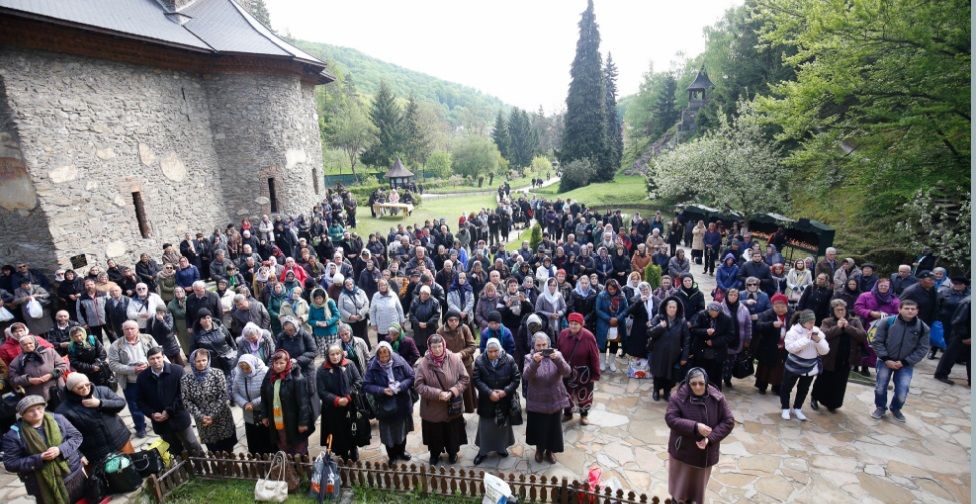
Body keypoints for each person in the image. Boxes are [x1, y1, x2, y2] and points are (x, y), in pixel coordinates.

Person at [665, 368, 735, 504]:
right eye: (693, 383)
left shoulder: (717, 398)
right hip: (683, 451)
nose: (698, 386)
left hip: (704, 453)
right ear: (687, 383)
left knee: (696, 489)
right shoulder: (678, 397)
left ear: (706, 382)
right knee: (679, 488)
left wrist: (711, 438)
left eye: (701, 383)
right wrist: (695, 427)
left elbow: (729, 421)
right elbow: (671, 418)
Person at [2, 395, 86, 504]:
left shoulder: (58, 419)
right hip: (42, 484)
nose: (37, 413)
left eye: (39, 408)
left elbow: (76, 437)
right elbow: (10, 463)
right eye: (30, 411)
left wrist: (60, 449)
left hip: (73, 474)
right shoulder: (13, 435)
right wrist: (39, 458)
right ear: (22, 414)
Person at [136, 347, 204, 456]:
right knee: (173, 448)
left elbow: (184, 394)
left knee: (192, 444)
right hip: (160, 422)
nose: (156, 361)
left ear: (163, 357)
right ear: (148, 360)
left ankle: (202, 466)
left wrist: (169, 411)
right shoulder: (142, 377)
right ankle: (184, 470)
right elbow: (140, 401)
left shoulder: (177, 370)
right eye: (152, 358)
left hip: (179, 417)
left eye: (158, 357)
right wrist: (152, 414)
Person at [870, 300, 930, 423]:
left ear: (917, 311)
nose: (910, 311)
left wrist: (905, 362)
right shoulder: (887, 322)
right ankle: (880, 407)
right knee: (881, 387)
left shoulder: (923, 328)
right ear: (900, 309)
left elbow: (923, 348)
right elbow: (877, 341)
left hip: (905, 364)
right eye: (907, 308)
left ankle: (896, 408)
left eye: (913, 309)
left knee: (903, 389)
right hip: (885, 361)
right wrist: (886, 359)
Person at [414, 334, 470, 465]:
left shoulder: (454, 359)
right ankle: (435, 454)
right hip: (432, 407)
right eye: (434, 347)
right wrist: (438, 394)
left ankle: (452, 453)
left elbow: (464, 378)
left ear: (444, 345)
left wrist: (452, 392)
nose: (438, 349)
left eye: (439, 346)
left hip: (451, 405)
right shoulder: (423, 363)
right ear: (429, 347)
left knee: (452, 432)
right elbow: (418, 385)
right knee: (435, 432)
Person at [56, 372, 132, 463]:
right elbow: (66, 436)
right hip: (96, 453)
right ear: (71, 389)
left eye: (87, 384)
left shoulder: (102, 391)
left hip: (120, 440)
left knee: (133, 468)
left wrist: (100, 403)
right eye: (80, 387)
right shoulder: (63, 410)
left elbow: (121, 403)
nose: (85, 388)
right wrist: (79, 455)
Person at [363, 341, 415, 465]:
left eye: (387, 356)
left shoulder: (399, 360)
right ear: (377, 356)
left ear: (391, 354)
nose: (384, 359)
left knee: (402, 430)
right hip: (384, 405)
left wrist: (400, 386)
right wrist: (382, 390)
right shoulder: (372, 366)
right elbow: (366, 385)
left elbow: (411, 376)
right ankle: (392, 456)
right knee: (388, 433)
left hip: (401, 401)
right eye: (381, 356)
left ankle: (401, 452)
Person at [523, 332, 571, 464]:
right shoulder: (529, 357)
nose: (542, 347)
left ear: (548, 344)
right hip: (537, 399)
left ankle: (550, 451)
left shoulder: (558, 355)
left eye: (544, 344)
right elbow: (526, 376)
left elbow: (567, 372)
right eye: (538, 345)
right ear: (534, 346)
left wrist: (558, 360)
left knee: (553, 427)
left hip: (554, 397)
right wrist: (534, 363)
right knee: (539, 427)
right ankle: (539, 450)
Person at [810, 300, 866, 412]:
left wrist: (848, 327)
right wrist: (838, 327)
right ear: (833, 311)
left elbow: (862, 336)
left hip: (846, 358)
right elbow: (823, 335)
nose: (840, 312)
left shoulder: (855, 321)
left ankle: (833, 404)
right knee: (823, 380)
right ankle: (815, 398)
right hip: (829, 357)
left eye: (842, 309)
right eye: (837, 310)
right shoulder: (827, 321)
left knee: (840, 382)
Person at [471, 337, 520, 465]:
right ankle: (483, 452)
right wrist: (489, 392)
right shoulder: (480, 360)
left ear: (500, 349)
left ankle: (501, 448)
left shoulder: (509, 359)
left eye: (495, 351)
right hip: (486, 400)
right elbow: (476, 379)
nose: (493, 354)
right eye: (490, 351)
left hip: (504, 399)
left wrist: (505, 391)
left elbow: (516, 378)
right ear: (486, 350)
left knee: (502, 426)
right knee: (485, 427)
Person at [182, 348, 238, 453]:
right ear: (192, 362)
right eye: (198, 361)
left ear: (208, 360)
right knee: (213, 448)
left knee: (227, 446)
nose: (201, 363)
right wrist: (202, 416)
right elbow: (187, 401)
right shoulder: (186, 379)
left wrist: (212, 415)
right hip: (203, 420)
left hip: (221, 416)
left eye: (204, 360)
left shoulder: (217, 373)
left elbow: (223, 395)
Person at [317, 343, 366, 462]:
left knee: (352, 428)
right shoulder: (322, 370)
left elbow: (358, 381)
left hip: (351, 404)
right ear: (327, 355)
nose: (335, 357)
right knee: (338, 431)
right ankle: (343, 453)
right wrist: (337, 400)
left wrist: (348, 397)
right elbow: (321, 391)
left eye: (337, 353)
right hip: (332, 408)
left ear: (341, 353)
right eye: (332, 354)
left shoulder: (349, 364)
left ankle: (353, 450)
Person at [260, 349, 315, 455]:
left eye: (282, 363)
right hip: (277, 419)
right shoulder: (269, 376)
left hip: (294, 421)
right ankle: (290, 468)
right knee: (283, 444)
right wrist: (264, 415)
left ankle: (302, 469)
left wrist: (303, 423)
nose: (278, 366)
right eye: (276, 363)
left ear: (288, 362)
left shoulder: (297, 377)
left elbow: (304, 403)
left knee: (299, 448)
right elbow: (264, 396)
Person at [779, 310, 829, 421]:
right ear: (803, 322)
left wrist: (818, 341)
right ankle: (785, 408)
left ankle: (798, 408)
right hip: (793, 366)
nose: (812, 324)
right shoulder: (793, 331)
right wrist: (806, 339)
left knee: (803, 389)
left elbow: (825, 351)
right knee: (786, 387)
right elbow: (790, 348)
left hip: (809, 367)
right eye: (810, 322)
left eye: (814, 321)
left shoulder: (817, 331)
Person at [556, 312, 600, 425]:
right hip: (567, 372)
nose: (573, 326)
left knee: (584, 395)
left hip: (584, 374)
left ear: (581, 324)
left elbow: (595, 356)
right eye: (571, 323)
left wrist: (595, 373)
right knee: (566, 393)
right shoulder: (563, 334)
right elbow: (558, 351)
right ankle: (567, 413)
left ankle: (584, 415)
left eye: (576, 323)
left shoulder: (588, 336)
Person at [853, 277, 901, 376]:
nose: (883, 287)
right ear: (877, 285)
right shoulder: (865, 295)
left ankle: (865, 367)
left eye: (886, 286)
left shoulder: (894, 300)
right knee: (859, 345)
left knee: (872, 347)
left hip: (881, 327)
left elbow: (898, 314)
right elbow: (858, 308)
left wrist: (886, 315)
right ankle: (855, 365)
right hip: (864, 324)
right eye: (881, 285)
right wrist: (870, 313)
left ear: (889, 287)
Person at [647, 298, 690, 401]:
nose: (672, 309)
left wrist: (684, 356)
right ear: (666, 308)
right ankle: (656, 390)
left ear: (677, 308)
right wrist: (660, 327)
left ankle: (667, 392)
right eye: (670, 307)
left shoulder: (682, 321)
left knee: (671, 375)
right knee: (657, 373)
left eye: (674, 307)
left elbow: (686, 339)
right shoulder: (658, 318)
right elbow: (649, 332)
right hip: (658, 352)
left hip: (673, 353)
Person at [231, 354, 275, 454]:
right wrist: (245, 404)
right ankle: (257, 458)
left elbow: (269, 391)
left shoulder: (265, 372)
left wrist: (253, 403)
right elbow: (235, 392)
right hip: (248, 411)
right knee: (253, 436)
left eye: (247, 368)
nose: (245, 371)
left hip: (263, 410)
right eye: (242, 368)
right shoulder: (239, 374)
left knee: (266, 435)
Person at [9, 335, 67, 409]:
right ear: (21, 346)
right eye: (25, 344)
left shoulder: (49, 352)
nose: (28, 346)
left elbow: (62, 365)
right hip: (37, 396)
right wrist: (29, 380)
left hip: (58, 390)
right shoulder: (17, 361)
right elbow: (13, 379)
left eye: (30, 343)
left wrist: (51, 375)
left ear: (35, 343)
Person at [437, 310, 478, 413]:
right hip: (448, 365)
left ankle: (469, 408)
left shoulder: (464, 328)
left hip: (465, 363)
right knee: (452, 389)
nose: (454, 322)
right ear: (446, 320)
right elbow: (438, 348)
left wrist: (461, 354)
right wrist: (449, 356)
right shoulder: (440, 331)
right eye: (451, 320)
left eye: (456, 320)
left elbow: (472, 346)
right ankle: (455, 412)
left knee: (467, 388)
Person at [687, 303, 733, 391]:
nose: (712, 313)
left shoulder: (727, 319)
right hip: (701, 350)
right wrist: (705, 331)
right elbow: (694, 329)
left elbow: (730, 335)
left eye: (715, 311)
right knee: (700, 373)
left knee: (716, 375)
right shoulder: (702, 315)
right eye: (710, 311)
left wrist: (714, 342)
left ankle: (714, 393)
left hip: (717, 351)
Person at [753, 294, 792, 395]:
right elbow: (758, 325)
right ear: (773, 306)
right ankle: (762, 386)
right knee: (765, 367)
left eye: (782, 307)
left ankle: (777, 387)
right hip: (768, 346)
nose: (780, 309)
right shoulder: (768, 314)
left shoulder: (791, 314)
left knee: (780, 369)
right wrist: (771, 324)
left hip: (784, 347)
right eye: (777, 307)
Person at [190, 308, 236, 377]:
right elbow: (193, 352)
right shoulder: (196, 334)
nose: (206, 320)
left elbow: (231, 341)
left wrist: (235, 355)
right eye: (203, 318)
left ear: (211, 318)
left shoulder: (220, 327)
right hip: (213, 364)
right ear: (199, 321)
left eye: (208, 317)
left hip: (228, 359)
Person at [720, 288, 752, 388]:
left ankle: (728, 378)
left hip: (738, 340)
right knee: (721, 362)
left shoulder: (743, 309)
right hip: (723, 341)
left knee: (732, 361)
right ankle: (718, 379)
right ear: (727, 295)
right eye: (731, 294)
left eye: (735, 295)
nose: (733, 297)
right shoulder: (721, 307)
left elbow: (748, 325)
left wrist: (748, 339)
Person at [595, 279, 628, 373]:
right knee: (603, 343)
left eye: (614, 289)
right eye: (610, 289)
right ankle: (602, 362)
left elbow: (626, 309)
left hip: (617, 323)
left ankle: (612, 362)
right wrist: (609, 319)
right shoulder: (601, 295)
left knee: (614, 343)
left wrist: (617, 318)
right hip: (604, 323)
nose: (612, 291)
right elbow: (598, 310)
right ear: (607, 288)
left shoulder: (621, 296)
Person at [409, 285, 441, 356]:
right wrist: (418, 323)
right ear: (420, 293)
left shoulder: (434, 302)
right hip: (418, 328)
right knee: (418, 345)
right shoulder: (415, 301)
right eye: (422, 293)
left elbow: (437, 315)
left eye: (426, 294)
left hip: (430, 328)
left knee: (429, 343)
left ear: (429, 294)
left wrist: (427, 323)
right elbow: (411, 314)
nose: (424, 295)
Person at [308, 287, 341, 354]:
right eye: (316, 299)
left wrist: (328, 322)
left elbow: (337, 315)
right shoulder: (312, 305)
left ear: (324, 297)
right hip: (319, 333)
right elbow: (310, 320)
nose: (318, 300)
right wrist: (317, 323)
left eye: (320, 298)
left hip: (331, 331)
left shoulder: (330, 302)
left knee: (333, 351)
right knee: (324, 353)